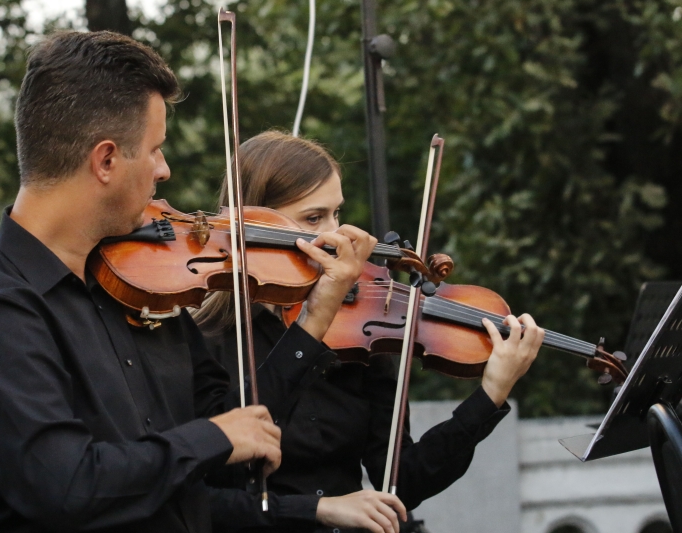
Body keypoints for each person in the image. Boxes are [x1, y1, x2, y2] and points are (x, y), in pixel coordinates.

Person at [0, 32, 382, 533]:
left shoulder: (140, 287)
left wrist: (317, 312)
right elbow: (66, 487)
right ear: (106, 161)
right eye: (155, 151)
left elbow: (239, 426)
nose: (164, 170)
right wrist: (211, 440)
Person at [195, 131, 545, 533]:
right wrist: (319, 509)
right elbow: (201, 494)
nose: (339, 236)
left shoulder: (361, 328)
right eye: (313, 218)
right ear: (257, 224)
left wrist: (489, 396)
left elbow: (401, 481)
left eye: (336, 214)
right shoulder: (207, 339)